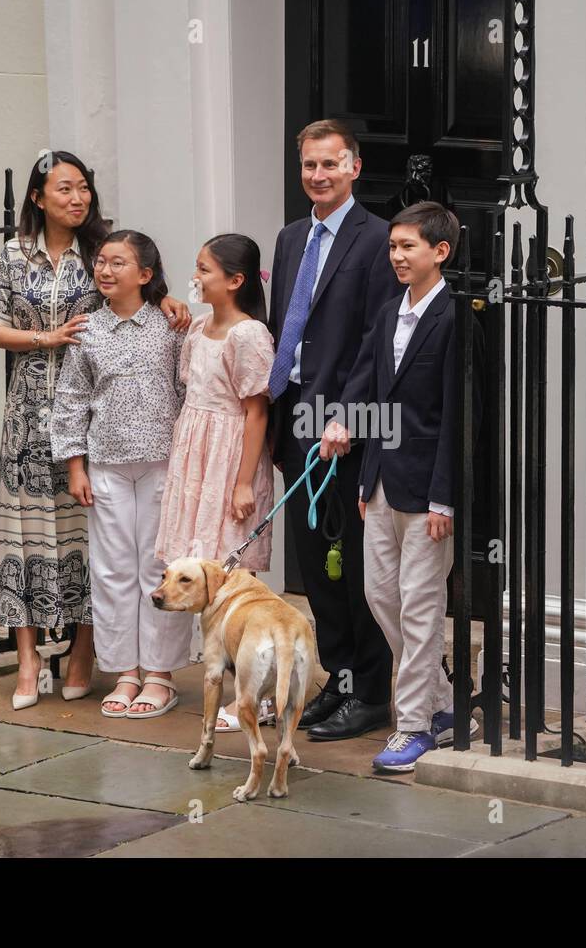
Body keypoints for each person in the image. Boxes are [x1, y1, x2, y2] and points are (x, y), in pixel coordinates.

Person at [0, 151, 189, 711]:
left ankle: (86, 654)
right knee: (29, 537)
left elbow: (137, 289)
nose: (77, 199)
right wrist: (46, 339)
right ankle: (28, 662)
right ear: (37, 197)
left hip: (108, 423)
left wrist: (165, 297)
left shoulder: (101, 254)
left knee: (100, 545)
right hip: (31, 411)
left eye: (84, 189)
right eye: (65, 189)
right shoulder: (13, 256)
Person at [320, 201, 483, 772]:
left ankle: (412, 725)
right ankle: (443, 705)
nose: (396, 256)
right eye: (392, 246)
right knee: (380, 596)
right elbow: (365, 381)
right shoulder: (390, 313)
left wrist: (446, 498)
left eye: (407, 246)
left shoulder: (458, 318)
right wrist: (343, 423)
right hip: (380, 482)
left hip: (428, 493)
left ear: (440, 252)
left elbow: (461, 417)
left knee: (419, 605)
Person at [266, 119, 404, 742]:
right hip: (294, 418)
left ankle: (372, 692)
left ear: (354, 166)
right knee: (317, 569)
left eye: (329, 165)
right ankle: (339, 679)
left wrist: (348, 414)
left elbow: (377, 339)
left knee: (350, 565)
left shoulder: (378, 239)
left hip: (346, 425)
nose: (317, 176)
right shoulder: (291, 237)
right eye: (308, 167)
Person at [50, 230, 192, 719]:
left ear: (145, 275)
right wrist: (75, 465)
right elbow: (70, 400)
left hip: (162, 464)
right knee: (112, 572)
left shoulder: (171, 326)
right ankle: (125, 672)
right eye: (101, 262)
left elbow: (188, 390)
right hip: (105, 465)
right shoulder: (86, 330)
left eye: (119, 263)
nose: (106, 271)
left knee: (158, 570)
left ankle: (160, 675)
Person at [156, 234, 276, 726]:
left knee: (235, 580)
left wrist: (244, 482)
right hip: (195, 455)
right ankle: (224, 682)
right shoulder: (200, 328)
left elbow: (256, 413)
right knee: (202, 574)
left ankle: (257, 694)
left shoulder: (248, 335)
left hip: (229, 458)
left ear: (235, 280)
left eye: (205, 270)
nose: (196, 277)